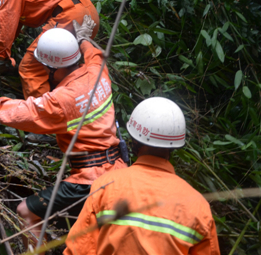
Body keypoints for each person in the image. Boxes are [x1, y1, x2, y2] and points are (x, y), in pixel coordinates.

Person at [0, 18, 127, 250]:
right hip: (119, 170)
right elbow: (95, 54)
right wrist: (83, 39)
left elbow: (27, 111)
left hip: (89, 180)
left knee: (25, 210)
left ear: (52, 68)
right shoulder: (98, 71)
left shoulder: (63, 99)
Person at [64, 97, 220, 255]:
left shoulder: (105, 186)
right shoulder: (198, 205)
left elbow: (79, 249)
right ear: (173, 147)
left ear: (134, 141)